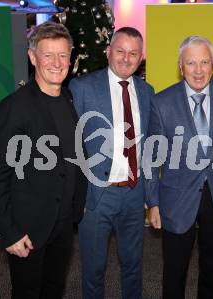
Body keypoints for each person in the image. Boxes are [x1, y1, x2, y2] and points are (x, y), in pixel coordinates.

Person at [0, 22, 87, 298]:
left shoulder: (67, 98)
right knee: (27, 292)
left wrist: (77, 206)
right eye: (48, 55)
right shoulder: (15, 107)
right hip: (27, 229)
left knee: (54, 289)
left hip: (63, 224)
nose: (57, 63)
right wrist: (9, 232)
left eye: (63, 55)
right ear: (32, 58)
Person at [146, 36, 213, 299]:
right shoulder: (162, 102)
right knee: (174, 272)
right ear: (180, 66)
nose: (198, 70)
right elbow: (152, 157)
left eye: (204, 62)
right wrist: (153, 201)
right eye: (191, 63)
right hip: (176, 198)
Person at [68, 27, 154, 299]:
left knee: (133, 266)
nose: (126, 59)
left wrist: (150, 197)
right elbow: (71, 144)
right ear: (108, 52)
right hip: (96, 195)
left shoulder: (147, 91)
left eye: (133, 53)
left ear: (141, 57)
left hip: (133, 193)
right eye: (120, 51)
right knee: (93, 269)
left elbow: (150, 146)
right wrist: (76, 194)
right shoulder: (82, 87)